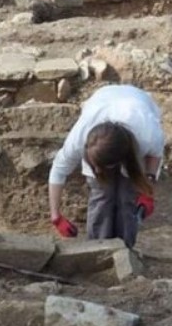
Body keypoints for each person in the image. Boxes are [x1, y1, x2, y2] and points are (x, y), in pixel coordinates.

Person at [48, 84, 164, 248]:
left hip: (138, 106)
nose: (96, 171)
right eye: (95, 166)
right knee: (102, 194)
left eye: (102, 167)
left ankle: (125, 249)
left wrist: (147, 191)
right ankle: (97, 248)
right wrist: (56, 216)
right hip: (104, 98)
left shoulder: (146, 135)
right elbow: (58, 172)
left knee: (127, 197)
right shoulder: (79, 139)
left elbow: (155, 155)